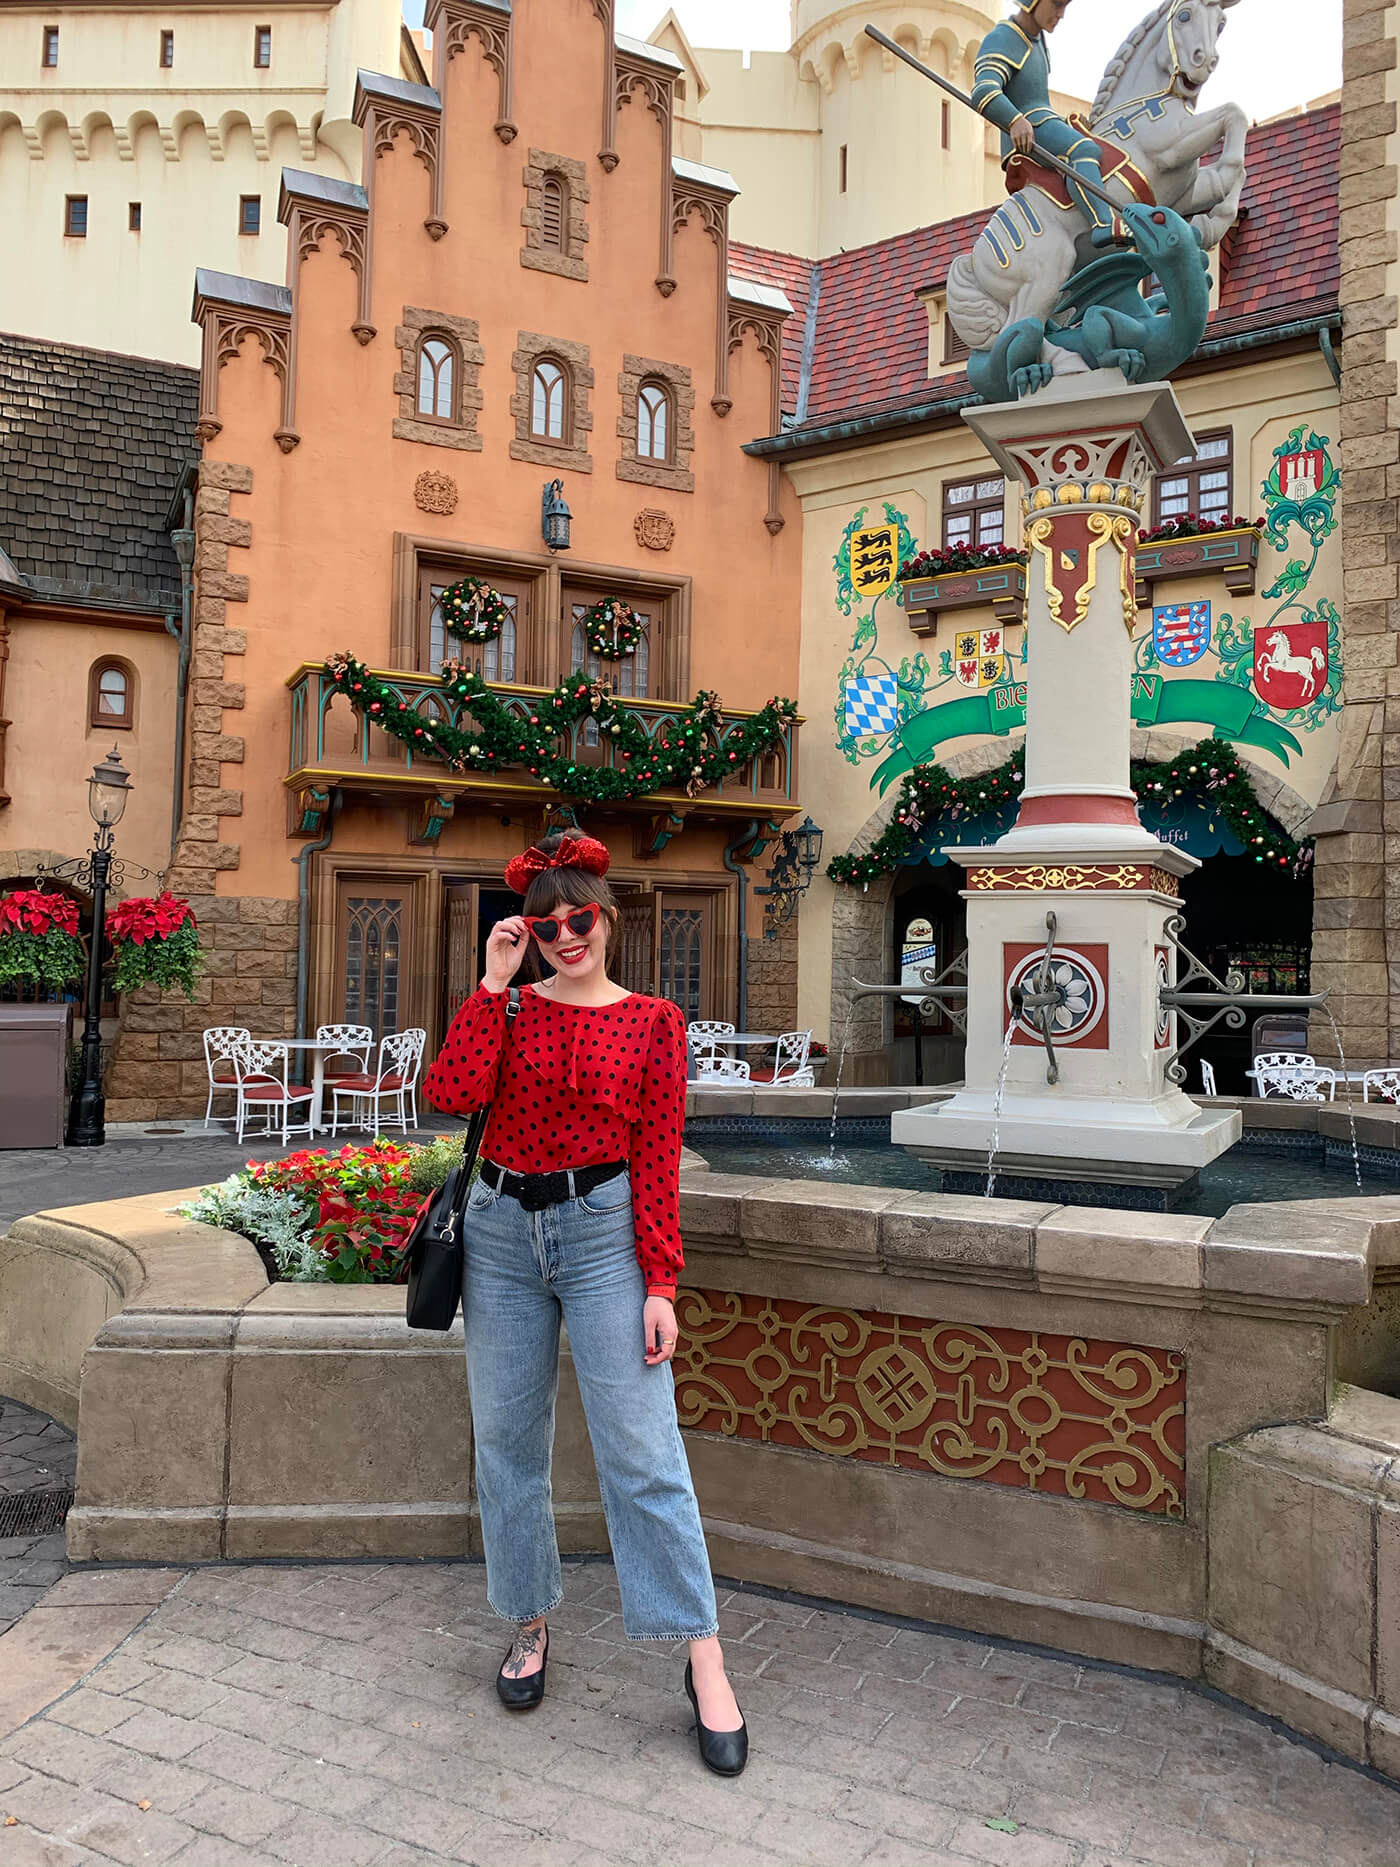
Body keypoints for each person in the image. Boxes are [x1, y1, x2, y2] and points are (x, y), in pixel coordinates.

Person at [422, 828, 747, 1777]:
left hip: (602, 1234)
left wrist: (660, 1281)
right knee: (507, 1442)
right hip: (497, 1233)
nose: (565, 936)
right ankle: (529, 1622)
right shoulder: (511, 1011)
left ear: (608, 918)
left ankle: (704, 1655)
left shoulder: (653, 1022)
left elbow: (657, 1160)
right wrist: (491, 982)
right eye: (544, 922)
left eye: (579, 919)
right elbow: (449, 1092)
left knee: (645, 1451)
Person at [971, 0, 1119, 246]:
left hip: (1043, 120)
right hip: (1027, 132)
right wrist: (1014, 119)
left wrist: (1066, 124)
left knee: (1101, 144)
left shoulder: (1037, 39)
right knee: (1085, 150)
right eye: (1057, 4)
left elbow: (1038, 100)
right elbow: (983, 91)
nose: (1061, 14)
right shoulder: (1005, 37)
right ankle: (1104, 224)